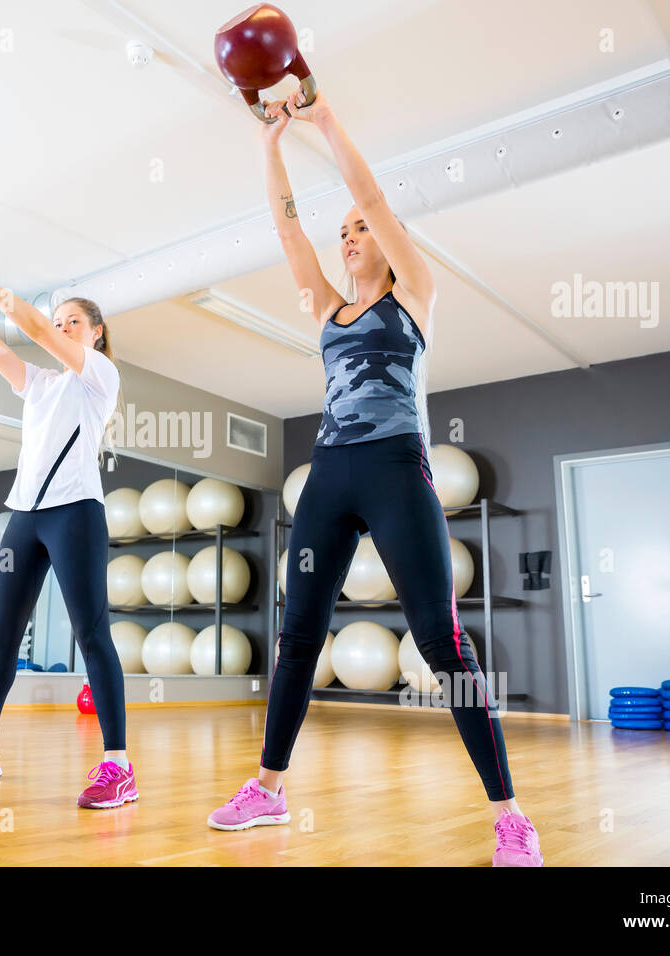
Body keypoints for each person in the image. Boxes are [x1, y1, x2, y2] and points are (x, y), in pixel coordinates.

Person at [205, 91, 543, 866]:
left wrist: (323, 120)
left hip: (396, 468)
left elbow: (372, 197)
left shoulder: (416, 295)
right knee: (296, 637)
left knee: (442, 643)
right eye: (345, 232)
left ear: (389, 246)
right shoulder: (326, 310)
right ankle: (268, 789)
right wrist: (270, 145)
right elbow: (288, 228)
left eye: (361, 231)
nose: (350, 236)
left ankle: (510, 817)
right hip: (329, 474)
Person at [0, 254, 136, 810]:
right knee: (2, 634)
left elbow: (35, 330)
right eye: (59, 320)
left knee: (92, 634)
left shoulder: (99, 377)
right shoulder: (40, 383)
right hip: (26, 516)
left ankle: (118, 766)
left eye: (74, 322)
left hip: (76, 513)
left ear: (96, 333)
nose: (63, 327)